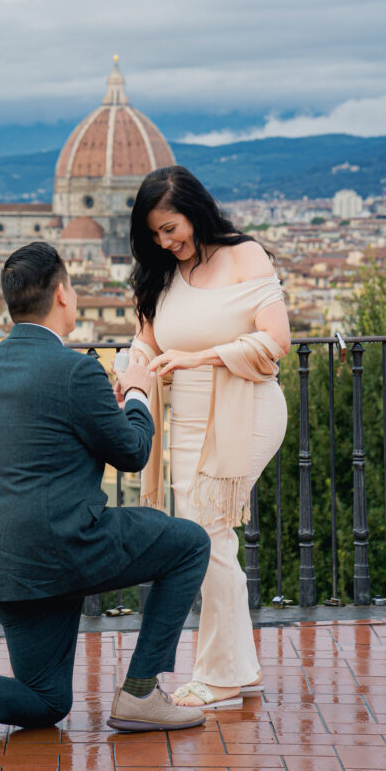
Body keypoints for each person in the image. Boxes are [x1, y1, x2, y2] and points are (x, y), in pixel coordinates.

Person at [0, 241, 211, 754]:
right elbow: (132, 452)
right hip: (66, 546)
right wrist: (135, 392)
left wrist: (101, 409)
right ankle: (141, 692)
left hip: (4, 559)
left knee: (46, 701)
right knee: (190, 542)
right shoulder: (78, 369)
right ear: (63, 293)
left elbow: (45, 439)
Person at [126, 166, 290, 711]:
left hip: (247, 410)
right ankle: (236, 670)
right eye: (154, 234)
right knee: (211, 540)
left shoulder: (245, 256)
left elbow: (276, 340)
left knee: (207, 533)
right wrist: (130, 370)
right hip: (189, 421)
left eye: (170, 228)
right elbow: (146, 344)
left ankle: (220, 677)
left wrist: (201, 357)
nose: (165, 242)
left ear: (195, 211)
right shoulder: (163, 275)